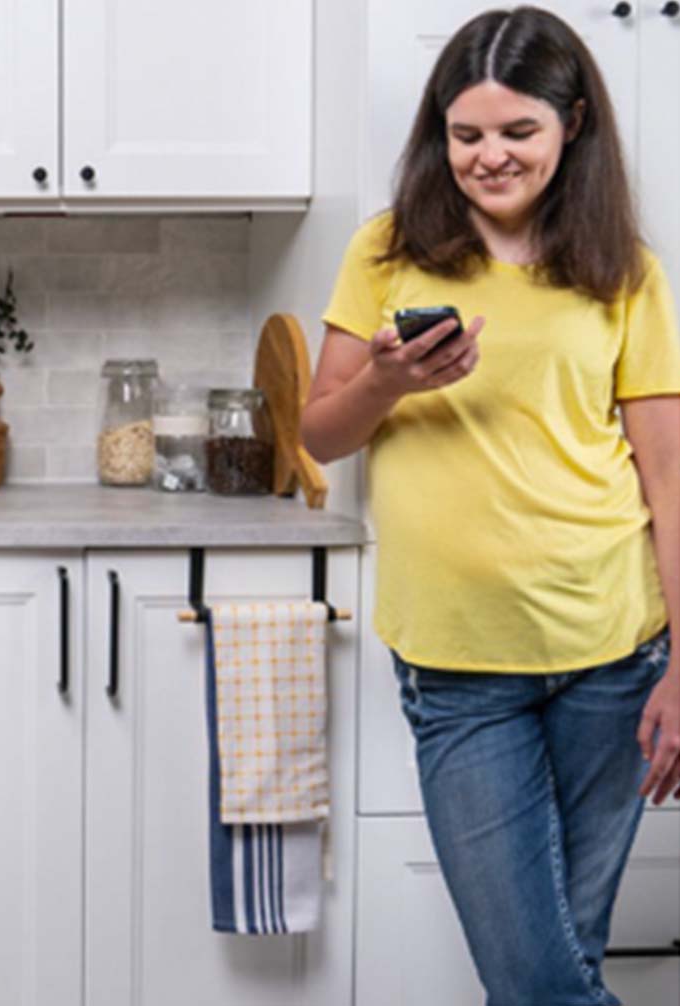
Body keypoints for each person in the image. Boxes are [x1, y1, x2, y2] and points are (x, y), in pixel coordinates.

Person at [301, 6, 680, 1005]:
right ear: (440, 133)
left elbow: (669, 478)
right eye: (467, 134)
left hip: (611, 656)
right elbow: (319, 434)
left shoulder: (624, 271)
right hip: (458, 667)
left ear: (574, 125)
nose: (490, 157)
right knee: (541, 979)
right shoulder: (387, 250)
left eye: (519, 132)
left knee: (562, 965)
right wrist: (390, 382)